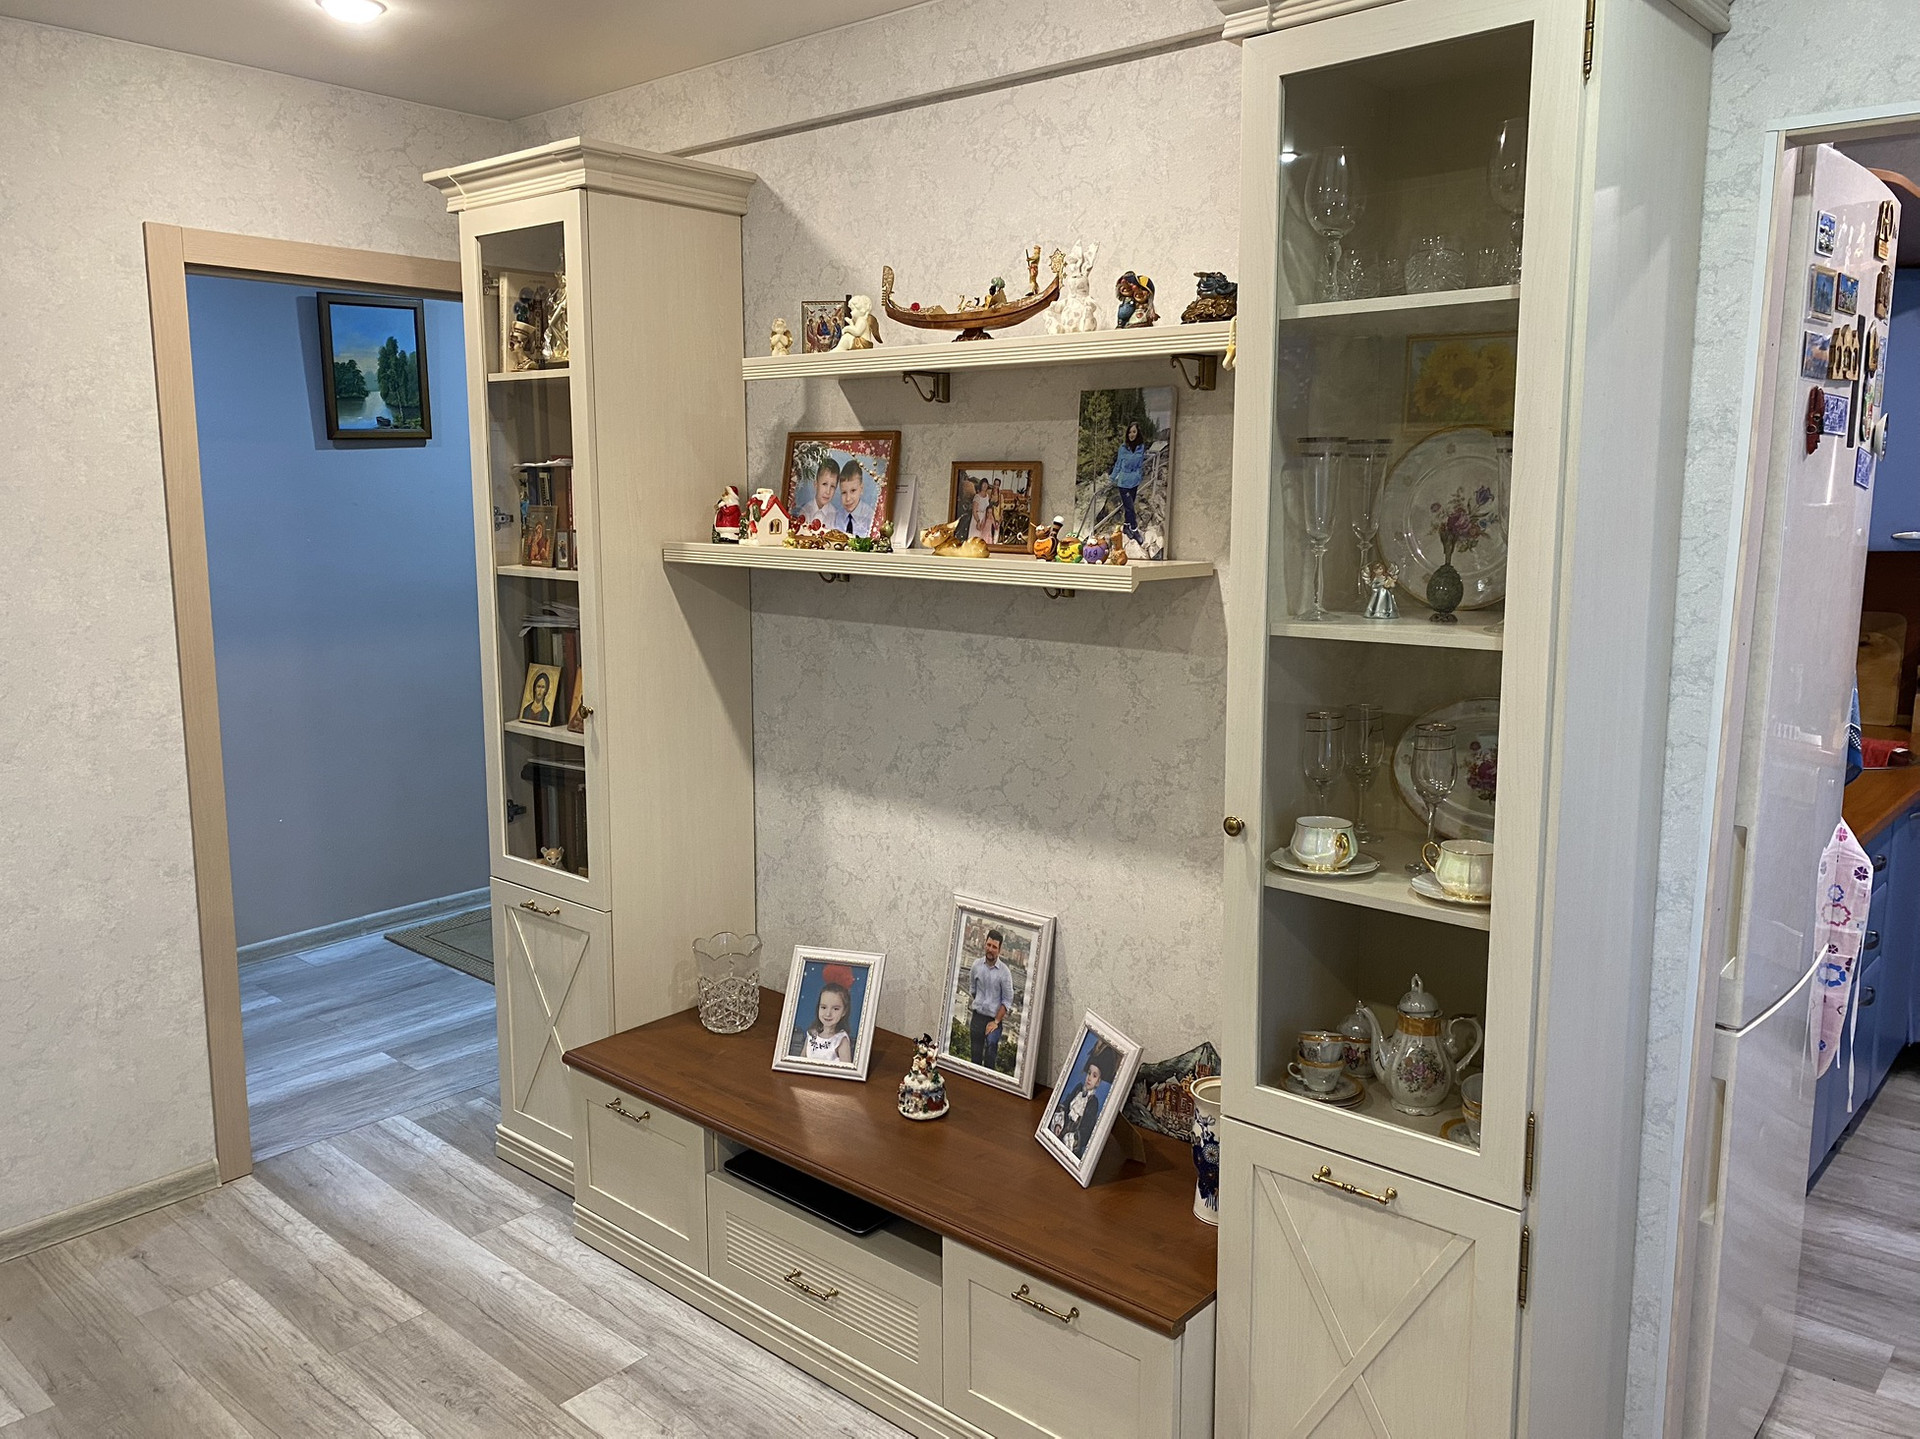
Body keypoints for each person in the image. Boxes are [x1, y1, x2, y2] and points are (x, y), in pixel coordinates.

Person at [966, 929, 1015, 1070]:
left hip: (994, 1020)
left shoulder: (1005, 972)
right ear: (984, 944)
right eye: (988, 945)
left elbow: (1007, 1000)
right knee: (975, 1057)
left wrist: (996, 1021)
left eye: (994, 947)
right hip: (977, 1017)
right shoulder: (976, 966)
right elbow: (973, 990)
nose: (990, 949)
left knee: (991, 1051)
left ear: (999, 950)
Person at [1050, 1050, 1105, 1156]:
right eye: (1089, 1073)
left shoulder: (1093, 1102)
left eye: (1094, 1076)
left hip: (1071, 1144)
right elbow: (1065, 1105)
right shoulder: (1078, 1089)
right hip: (1061, 1131)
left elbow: (1087, 1128)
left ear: (1098, 1082)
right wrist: (1058, 1124)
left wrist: (1074, 1139)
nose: (1089, 1078)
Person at [796, 974, 854, 1065]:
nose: (828, 1014)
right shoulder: (812, 1035)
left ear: (844, 1012)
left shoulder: (840, 1040)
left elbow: (845, 1069)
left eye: (835, 1009)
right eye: (823, 1007)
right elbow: (801, 1060)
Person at [1107, 420, 1149, 542]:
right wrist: (1112, 478)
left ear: (1137, 433)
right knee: (1130, 507)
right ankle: (1134, 529)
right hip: (1124, 482)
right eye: (1130, 432)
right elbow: (1118, 464)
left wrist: (1139, 475)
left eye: (1134, 432)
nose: (1131, 434)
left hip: (1134, 482)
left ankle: (1126, 526)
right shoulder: (1123, 448)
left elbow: (1140, 464)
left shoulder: (1141, 447)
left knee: (1129, 507)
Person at [837, 458, 875, 537]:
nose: (848, 498)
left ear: (861, 489)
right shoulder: (836, 517)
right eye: (844, 492)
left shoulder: (871, 518)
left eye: (853, 490)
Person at [803, 456, 842, 527]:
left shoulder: (835, 517)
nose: (828, 491)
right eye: (824, 484)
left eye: (832, 486)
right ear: (816, 485)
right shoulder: (805, 511)